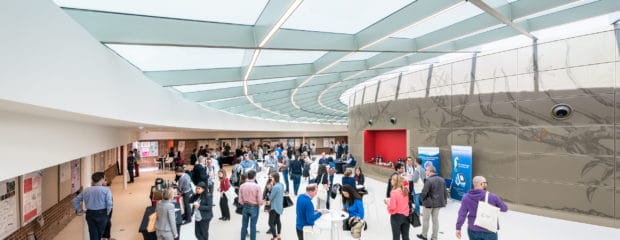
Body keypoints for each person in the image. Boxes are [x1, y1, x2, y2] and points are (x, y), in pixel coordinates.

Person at [72, 172, 113, 240]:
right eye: (104, 178)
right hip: (102, 214)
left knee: (93, 234)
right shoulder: (106, 190)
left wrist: (80, 210)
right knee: (100, 234)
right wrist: (107, 213)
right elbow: (109, 203)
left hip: (90, 214)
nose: (105, 180)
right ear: (102, 179)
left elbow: (74, 201)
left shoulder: (86, 190)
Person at [417, 165, 447, 240]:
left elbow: (424, 192)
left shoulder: (429, 180)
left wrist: (422, 200)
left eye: (427, 170)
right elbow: (445, 192)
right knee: (435, 221)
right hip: (438, 204)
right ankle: (434, 237)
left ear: (430, 171)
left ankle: (424, 235)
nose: (426, 171)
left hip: (428, 204)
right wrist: (444, 201)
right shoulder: (442, 179)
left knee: (426, 220)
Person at [239, 170, 262, 240]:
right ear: (254, 176)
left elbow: (240, 200)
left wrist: (244, 203)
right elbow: (259, 200)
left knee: (244, 226)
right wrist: (260, 204)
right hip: (254, 207)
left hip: (245, 206)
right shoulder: (257, 186)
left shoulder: (242, 186)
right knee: (253, 226)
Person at [385, 174, 410, 240]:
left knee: (396, 237)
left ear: (395, 181)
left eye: (392, 180)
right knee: (406, 237)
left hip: (396, 217)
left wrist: (387, 203)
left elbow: (393, 206)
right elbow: (407, 183)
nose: (391, 181)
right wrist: (403, 179)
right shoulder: (405, 189)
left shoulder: (394, 192)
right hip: (406, 216)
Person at [267, 172, 284, 240]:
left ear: (275, 178)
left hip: (274, 206)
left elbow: (271, 197)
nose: (271, 179)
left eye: (272, 177)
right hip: (280, 205)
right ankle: (279, 235)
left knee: (270, 222)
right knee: (278, 220)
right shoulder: (281, 185)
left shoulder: (275, 187)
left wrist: (271, 187)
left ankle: (275, 237)